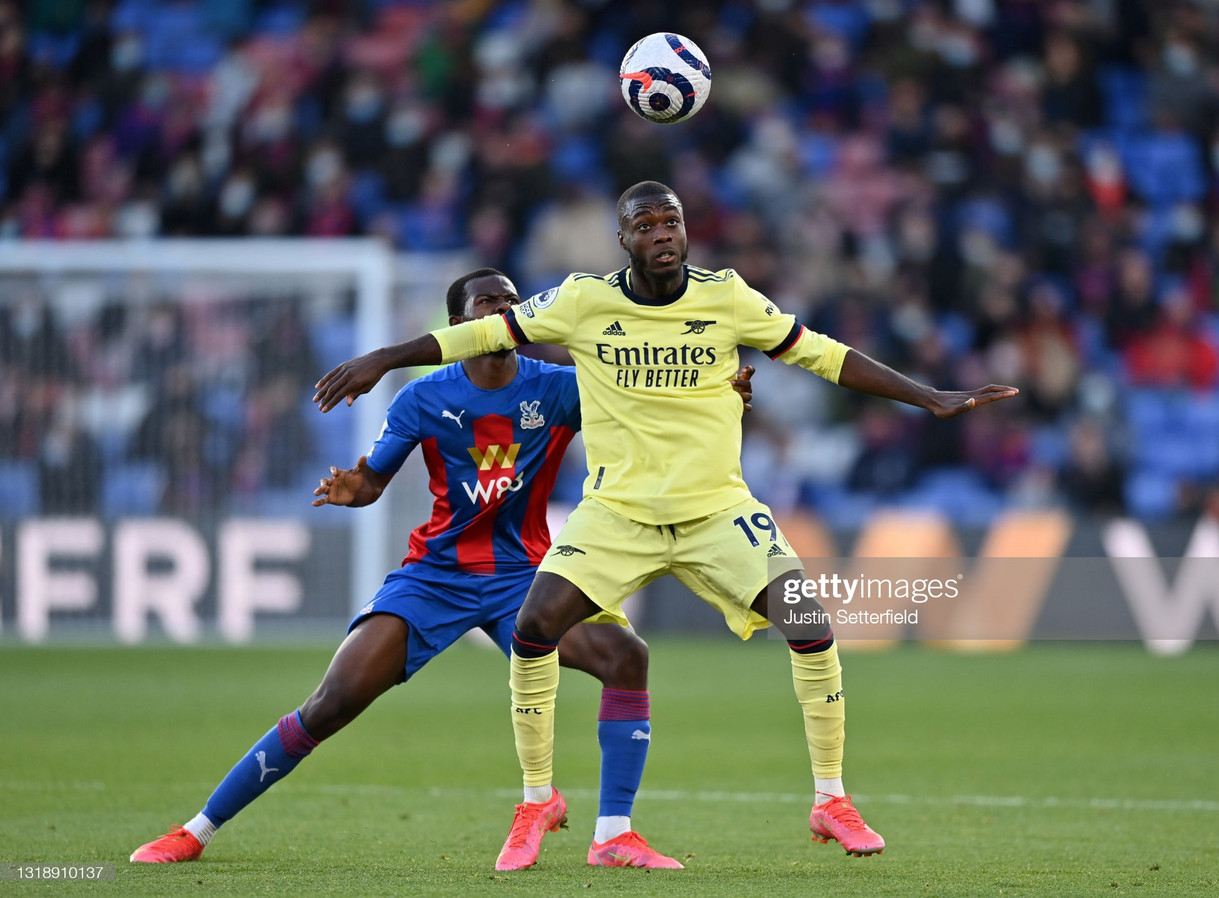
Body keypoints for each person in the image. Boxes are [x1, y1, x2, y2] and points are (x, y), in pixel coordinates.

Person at [314, 181, 1019, 867]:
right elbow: (480, 335)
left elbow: (824, 354)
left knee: (808, 617)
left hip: (717, 509)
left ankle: (831, 799)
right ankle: (536, 801)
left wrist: (928, 397)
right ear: (623, 239)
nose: (663, 235)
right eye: (646, 225)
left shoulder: (728, 297)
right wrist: (384, 358)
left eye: (672, 222)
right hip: (618, 514)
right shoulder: (584, 301)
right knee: (534, 628)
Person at [130, 267, 757, 870]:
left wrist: (720, 397)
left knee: (627, 656)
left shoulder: (562, 386)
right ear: (459, 323)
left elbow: (650, 406)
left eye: (510, 298)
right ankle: (194, 831)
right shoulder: (424, 396)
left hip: (526, 577)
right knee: (332, 700)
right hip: (437, 576)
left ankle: (613, 833)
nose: (502, 307)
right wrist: (356, 487)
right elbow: (375, 479)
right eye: (486, 302)